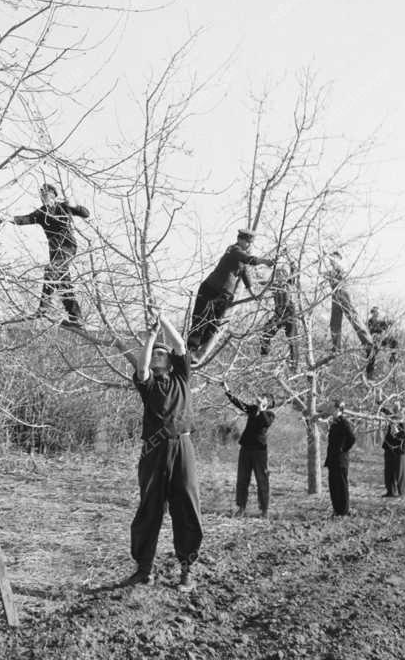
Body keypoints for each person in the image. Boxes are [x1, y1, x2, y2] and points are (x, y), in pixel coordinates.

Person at [119, 309, 203, 592]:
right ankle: (144, 570)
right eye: (154, 353)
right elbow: (141, 369)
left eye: (161, 353)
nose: (157, 355)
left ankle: (187, 571)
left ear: (170, 360)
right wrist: (151, 337)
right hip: (153, 450)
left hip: (183, 447)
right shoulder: (148, 384)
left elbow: (180, 346)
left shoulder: (182, 376)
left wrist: (163, 319)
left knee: (187, 507)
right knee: (149, 508)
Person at [5, 183, 90, 326]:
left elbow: (85, 214)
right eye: (43, 197)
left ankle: (43, 307)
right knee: (62, 283)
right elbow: (25, 219)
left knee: (52, 270)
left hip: (67, 246)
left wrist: (76, 205)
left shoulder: (64, 207)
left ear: (54, 197)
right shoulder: (41, 213)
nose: (45, 200)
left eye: (48, 197)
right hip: (54, 251)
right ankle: (76, 317)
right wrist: (9, 218)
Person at [188, 229, 275, 354]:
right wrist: (264, 261)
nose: (249, 245)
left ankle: (198, 350)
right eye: (247, 242)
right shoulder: (234, 250)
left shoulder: (241, 255)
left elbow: (244, 274)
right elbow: (249, 259)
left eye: (251, 243)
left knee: (214, 325)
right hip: (210, 289)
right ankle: (190, 349)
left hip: (224, 295)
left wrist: (252, 293)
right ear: (240, 240)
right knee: (200, 320)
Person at [223, 384, 276, 517]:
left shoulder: (270, 414)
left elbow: (266, 423)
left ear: (267, 402)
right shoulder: (252, 409)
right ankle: (241, 508)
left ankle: (264, 510)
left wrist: (262, 409)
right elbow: (239, 403)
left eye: (263, 398)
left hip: (259, 452)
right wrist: (227, 390)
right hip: (246, 450)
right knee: (242, 479)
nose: (259, 398)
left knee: (262, 480)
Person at [323, 251, 373, 365]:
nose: (331, 261)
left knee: (353, 318)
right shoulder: (331, 271)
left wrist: (327, 255)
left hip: (343, 293)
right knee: (334, 323)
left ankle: (368, 343)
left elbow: (338, 267)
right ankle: (336, 347)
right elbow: (322, 272)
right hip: (335, 296)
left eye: (333, 259)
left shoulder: (341, 267)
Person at [259, 249, 299, 368]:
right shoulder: (274, 286)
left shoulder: (289, 283)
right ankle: (264, 354)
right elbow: (262, 281)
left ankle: (294, 364)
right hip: (278, 314)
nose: (279, 277)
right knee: (266, 331)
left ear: (286, 276)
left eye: (282, 275)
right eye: (277, 275)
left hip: (289, 314)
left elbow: (294, 267)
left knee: (292, 339)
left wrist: (287, 255)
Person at [324, 399, 356, 517]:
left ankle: (344, 511)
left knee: (341, 486)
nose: (330, 409)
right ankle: (336, 510)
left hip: (341, 460)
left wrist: (343, 449)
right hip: (332, 460)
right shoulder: (334, 422)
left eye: (332, 407)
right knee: (333, 486)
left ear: (338, 409)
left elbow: (352, 438)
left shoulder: (344, 422)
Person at [381, 406, 405, 497]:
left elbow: (404, 437)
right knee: (388, 472)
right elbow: (383, 408)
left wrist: (397, 432)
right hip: (389, 448)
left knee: (400, 473)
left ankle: (401, 492)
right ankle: (390, 491)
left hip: (399, 451)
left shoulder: (403, 423)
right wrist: (379, 397)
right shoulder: (392, 418)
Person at [367, 306, 399, 375]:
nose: (377, 314)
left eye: (377, 313)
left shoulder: (380, 322)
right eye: (375, 312)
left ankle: (393, 357)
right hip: (374, 341)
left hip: (381, 340)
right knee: (371, 355)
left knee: (394, 342)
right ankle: (369, 372)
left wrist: (390, 322)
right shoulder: (370, 322)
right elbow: (369, 331)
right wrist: (377, 331)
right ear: (373, 313)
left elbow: (386, 324)